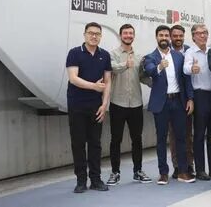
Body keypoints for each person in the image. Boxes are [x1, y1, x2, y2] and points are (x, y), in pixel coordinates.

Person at [143, 25, 195, 185]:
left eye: (166, 35)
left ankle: (183, 171)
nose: (164, 37)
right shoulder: (150, 57)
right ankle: (163, 173)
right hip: (162, 103)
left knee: (181, 138)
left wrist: (190, 99)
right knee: (161, 139)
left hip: (178, 101)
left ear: (170, 37)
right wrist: (160, 66)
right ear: (156, 37)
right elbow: (149, 71)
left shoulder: (179, 56)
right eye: (161, 35)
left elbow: (186, 79)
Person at [65, 22, 112, 193]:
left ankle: (96, 179)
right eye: (91, 33)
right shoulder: (75, 53)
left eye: (97, 34)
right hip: (77, 105)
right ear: (85, 34)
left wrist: (104, 104)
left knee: (95, 143)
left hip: (96, 107)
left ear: (100, 36)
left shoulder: (105, 55)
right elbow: (73, 78)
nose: (94, 36)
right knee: (78, 143)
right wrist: (93, 86)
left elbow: (107, 82)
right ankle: (81, 180)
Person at [107, 24, 152, 185]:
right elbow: (112, 69)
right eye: (125, 33)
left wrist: (158, 82)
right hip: (117, 103)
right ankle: (115, 173)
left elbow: (142, 77)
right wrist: (126, 64)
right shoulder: (112, 54)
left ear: (133, 36)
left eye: (130, 33)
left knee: (137, 139)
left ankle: (138, 171)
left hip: (135, 104)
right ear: (120, 35)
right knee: (116, 139)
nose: (128, 35)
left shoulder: (139, 57)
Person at [182, 23, 211, 181]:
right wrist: (191, 69)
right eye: (199, 33)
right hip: (200, 95)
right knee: (200, 134)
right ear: (193, 36)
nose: (203, 35)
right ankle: (201, 169)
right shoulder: (190, 52)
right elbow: (186, 68)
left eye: (205, 33)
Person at [168, 24, 194, 178]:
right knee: (173, 135)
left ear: (184, 36)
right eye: (175, 36)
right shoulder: (164, 52)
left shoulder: (190, 51)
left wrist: (191, 98)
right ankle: (177, 166)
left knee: (187, 134)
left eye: (180, 36)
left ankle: (189, 165)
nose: (178, 38)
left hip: (187, 98)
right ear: (171, 37)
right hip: (172, 99)